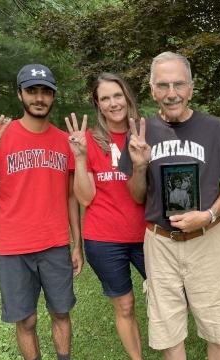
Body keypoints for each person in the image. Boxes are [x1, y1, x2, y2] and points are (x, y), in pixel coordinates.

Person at [119, 51, 220, 360]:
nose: (171, 93)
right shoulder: (139, 133)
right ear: (152, 89)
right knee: (169, 333)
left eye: (179, 84)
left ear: (191, 87)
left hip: (208, 241)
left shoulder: (215, 128)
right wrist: (138, 166)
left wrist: (208, 215)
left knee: (218, 329)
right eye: (163, 85)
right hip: (160, 243)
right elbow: (137, 196)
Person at [0, 64, 83, 360]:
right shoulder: (1, 136)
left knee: (61, 313)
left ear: (53, 97)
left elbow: (71, 196)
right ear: (19, 94)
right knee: (26, 320)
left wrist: (77, 243)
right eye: (32, 91)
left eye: (46, 92)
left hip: (55, 244)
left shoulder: (64, 140)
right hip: (13, 248)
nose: (39, 98)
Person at [64, 73, 146, 360]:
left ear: (127, 97)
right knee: (124, 305)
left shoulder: (145, 135)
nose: (113, 103)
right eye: (105, 98)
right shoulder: (86, 141)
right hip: (104, 239)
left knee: (167, 296)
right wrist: (81, 157)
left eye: (117, 95)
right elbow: (84, 198)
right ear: (98, 105)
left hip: (148, 235)